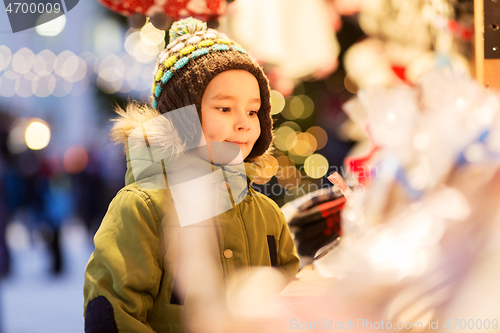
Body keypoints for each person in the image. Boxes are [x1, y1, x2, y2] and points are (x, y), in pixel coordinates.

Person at [83, 17, 299, 332]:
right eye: (224, 109)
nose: (243, 123)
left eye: (253, 111)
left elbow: (290, 301)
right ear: (182, 118)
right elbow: (114, 315)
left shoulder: (266, 213)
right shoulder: (142, 207)